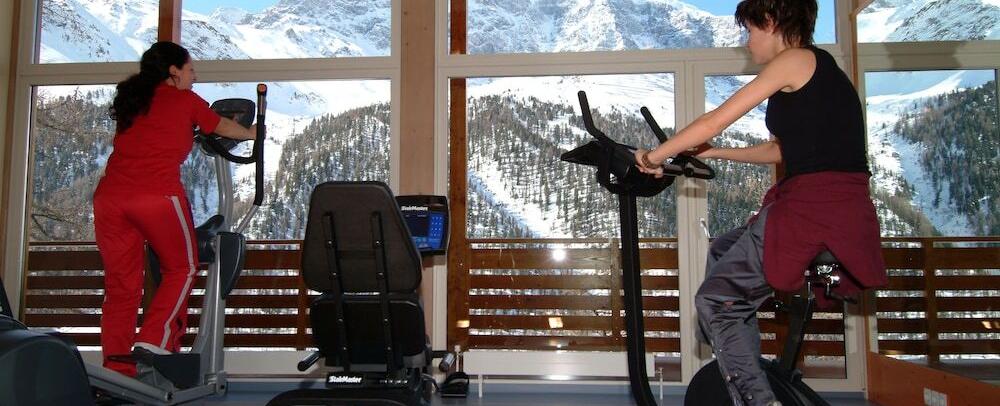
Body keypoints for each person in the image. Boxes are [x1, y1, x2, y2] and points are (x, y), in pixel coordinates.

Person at [633, 1, 886, 405]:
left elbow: (715, 119)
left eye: (750, 31)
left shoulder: (796, 60)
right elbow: (780, 151)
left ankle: (757, 398)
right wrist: (714, 153)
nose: (748, 43)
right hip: (824, 203)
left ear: (770, 22)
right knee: (722, 249)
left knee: (715, 301)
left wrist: (652, 157)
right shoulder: (814, 71)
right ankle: (737, 352)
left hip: (816, 206)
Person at [93, 41, 256, 377]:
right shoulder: (184, 100)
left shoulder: (134, 102)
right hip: (156, 195)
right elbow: (221, 126)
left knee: (122, 286)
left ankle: (116, 369)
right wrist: (252, 133)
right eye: (190, 69)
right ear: (173, 72)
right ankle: (154, 341)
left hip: (110, 199)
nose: (195, 76)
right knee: (183, 267)